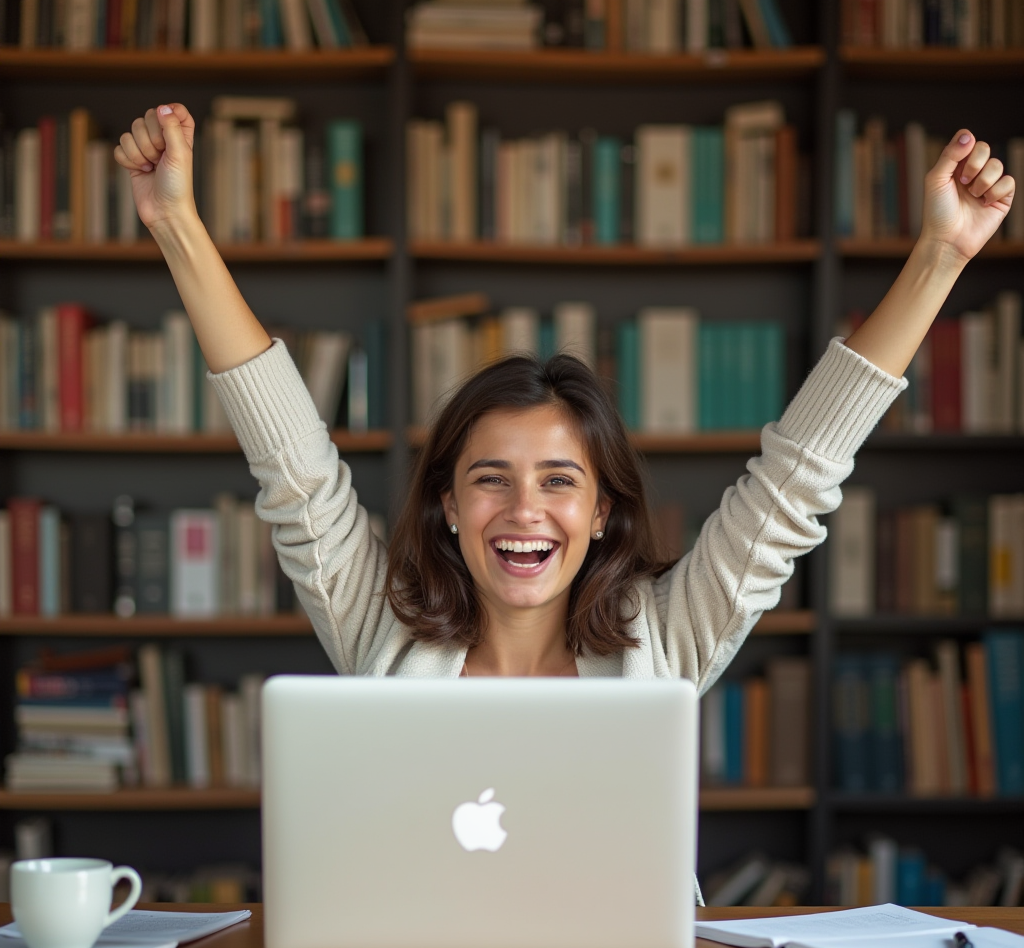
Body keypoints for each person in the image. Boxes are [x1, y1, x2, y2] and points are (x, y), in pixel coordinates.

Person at [115, 106, 1013, 699]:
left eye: (558, 481)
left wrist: (942, 255)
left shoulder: (663, 643)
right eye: (490, 480)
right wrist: (177, 225)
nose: (524, 511)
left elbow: (796, 481)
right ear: (447, 504)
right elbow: (293, 467)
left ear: (601, 510)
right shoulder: (380, 633)